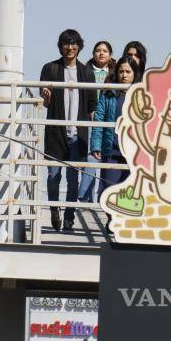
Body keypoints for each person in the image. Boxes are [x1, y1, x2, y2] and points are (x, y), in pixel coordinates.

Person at [40, 29, 96, 231]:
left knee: (74, 179)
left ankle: (69, 215)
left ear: (79, 46)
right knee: (53, 176)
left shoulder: (86, 72)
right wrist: (46, 97)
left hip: (78, 133)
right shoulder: (50, 69)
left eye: (73, 44)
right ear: (60, 46)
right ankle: (55, 209)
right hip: (56, 132)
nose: (70, 47)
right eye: (66, 43)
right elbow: (45, 103)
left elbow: (92, 106)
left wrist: (94, 136)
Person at [90, 56, 143, 231]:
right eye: (121, 71)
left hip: (133, 151)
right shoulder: (109, 93)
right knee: (106, 189)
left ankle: (122, 222)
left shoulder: (141, 94)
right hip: (111, 148)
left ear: (135, 74)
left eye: (128, 71)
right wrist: (96, 145)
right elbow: (98, 119)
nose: (124, 75)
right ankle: (113, 217)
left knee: (129, 190)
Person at [78, 41, 115, 202]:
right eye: (98, 50)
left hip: (108, 116)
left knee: (103, 155)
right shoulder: (86, 70)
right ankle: (86, 196)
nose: (101, 53)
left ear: (110, 55)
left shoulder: (114, 72)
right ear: (93, 53)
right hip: (89, 115)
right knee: (90, 155)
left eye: (105, 51)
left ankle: (98, 195)